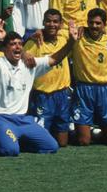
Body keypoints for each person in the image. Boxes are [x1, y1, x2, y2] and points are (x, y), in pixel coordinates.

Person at [0, 19, 77, 156]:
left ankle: (12, 139)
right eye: (13, 44)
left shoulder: (28, 64)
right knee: (11, 151)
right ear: (4, 49)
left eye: (20, 44)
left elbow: (54, 59)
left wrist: (71, 42)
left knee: (51, 146)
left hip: (23, 119)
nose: (17, 47)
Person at [70, 8, 107, 146]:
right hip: (84, 89)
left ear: (104, 25)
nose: (94, 26)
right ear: (87, 22)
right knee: (83, 141)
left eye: (98, 23)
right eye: (91, 22)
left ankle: (95, 130)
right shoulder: (78, 38)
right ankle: (82, 130)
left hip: (105, 90)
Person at [23, 9, 72, 147]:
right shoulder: (35, 42)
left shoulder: (64, 39)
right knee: (40, 142)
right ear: (43, 22)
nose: (52, 24)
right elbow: (19, 52)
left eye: (55, 21)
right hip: (42, 96)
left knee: (62, 142)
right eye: (48, 21)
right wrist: (24, 47)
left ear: (61, 24)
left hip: (62, 95)